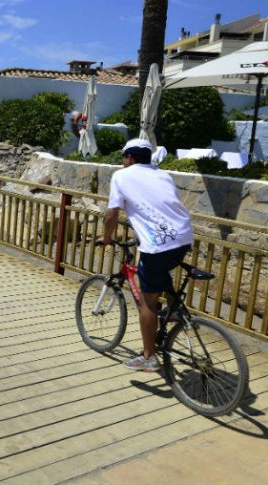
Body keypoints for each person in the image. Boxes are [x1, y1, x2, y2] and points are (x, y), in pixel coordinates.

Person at [99, 138, 194, 372]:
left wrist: (107, 237)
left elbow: (112, 213)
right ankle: (176, 310)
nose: (123, 162)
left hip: (157, 244)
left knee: (148, 302)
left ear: (129, 157)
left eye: (124, 158)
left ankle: (149, 356)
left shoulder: (122, 176)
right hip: (183, 237)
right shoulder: (162, 175)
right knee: (161, 268)